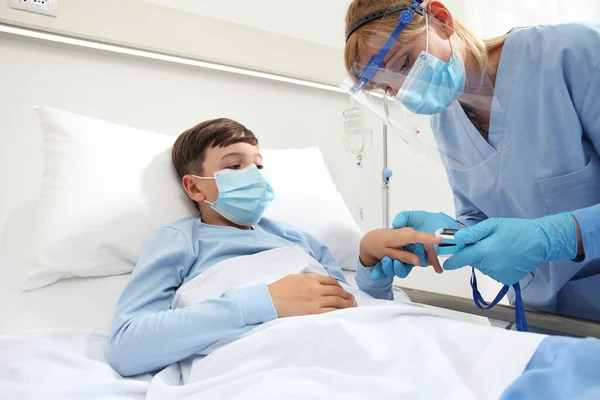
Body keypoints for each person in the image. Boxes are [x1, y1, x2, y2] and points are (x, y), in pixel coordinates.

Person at [108, 117, 441, 376]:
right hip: (272, 355)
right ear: (195, 187)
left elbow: (355, 306)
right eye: (234, 166)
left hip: (350, 340)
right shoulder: (181, 240)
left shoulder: (295, 238)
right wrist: (263, 301)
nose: (253, 174)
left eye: (259, 165)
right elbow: (128, 346)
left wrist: (371, 264)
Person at [343, 0, 600, 323]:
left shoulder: (574, 54)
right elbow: (483, 217)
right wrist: (447, 236)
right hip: (547, 320)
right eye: (387, 88)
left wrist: (555, 237)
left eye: (405, 63)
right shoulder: (447, 121)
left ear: (440, 19)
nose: (404, 90)